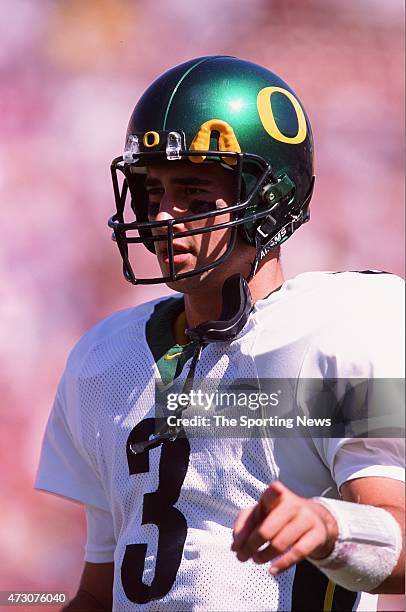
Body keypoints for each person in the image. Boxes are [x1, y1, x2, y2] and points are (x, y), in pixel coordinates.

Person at [36, 56, 404, 612]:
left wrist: (331, 525)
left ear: (270, 197)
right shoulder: (104, 362)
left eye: (196, 195)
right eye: (150, 191)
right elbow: (98, 592)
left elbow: (399, 541)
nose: (164, 216)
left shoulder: (337, 329)